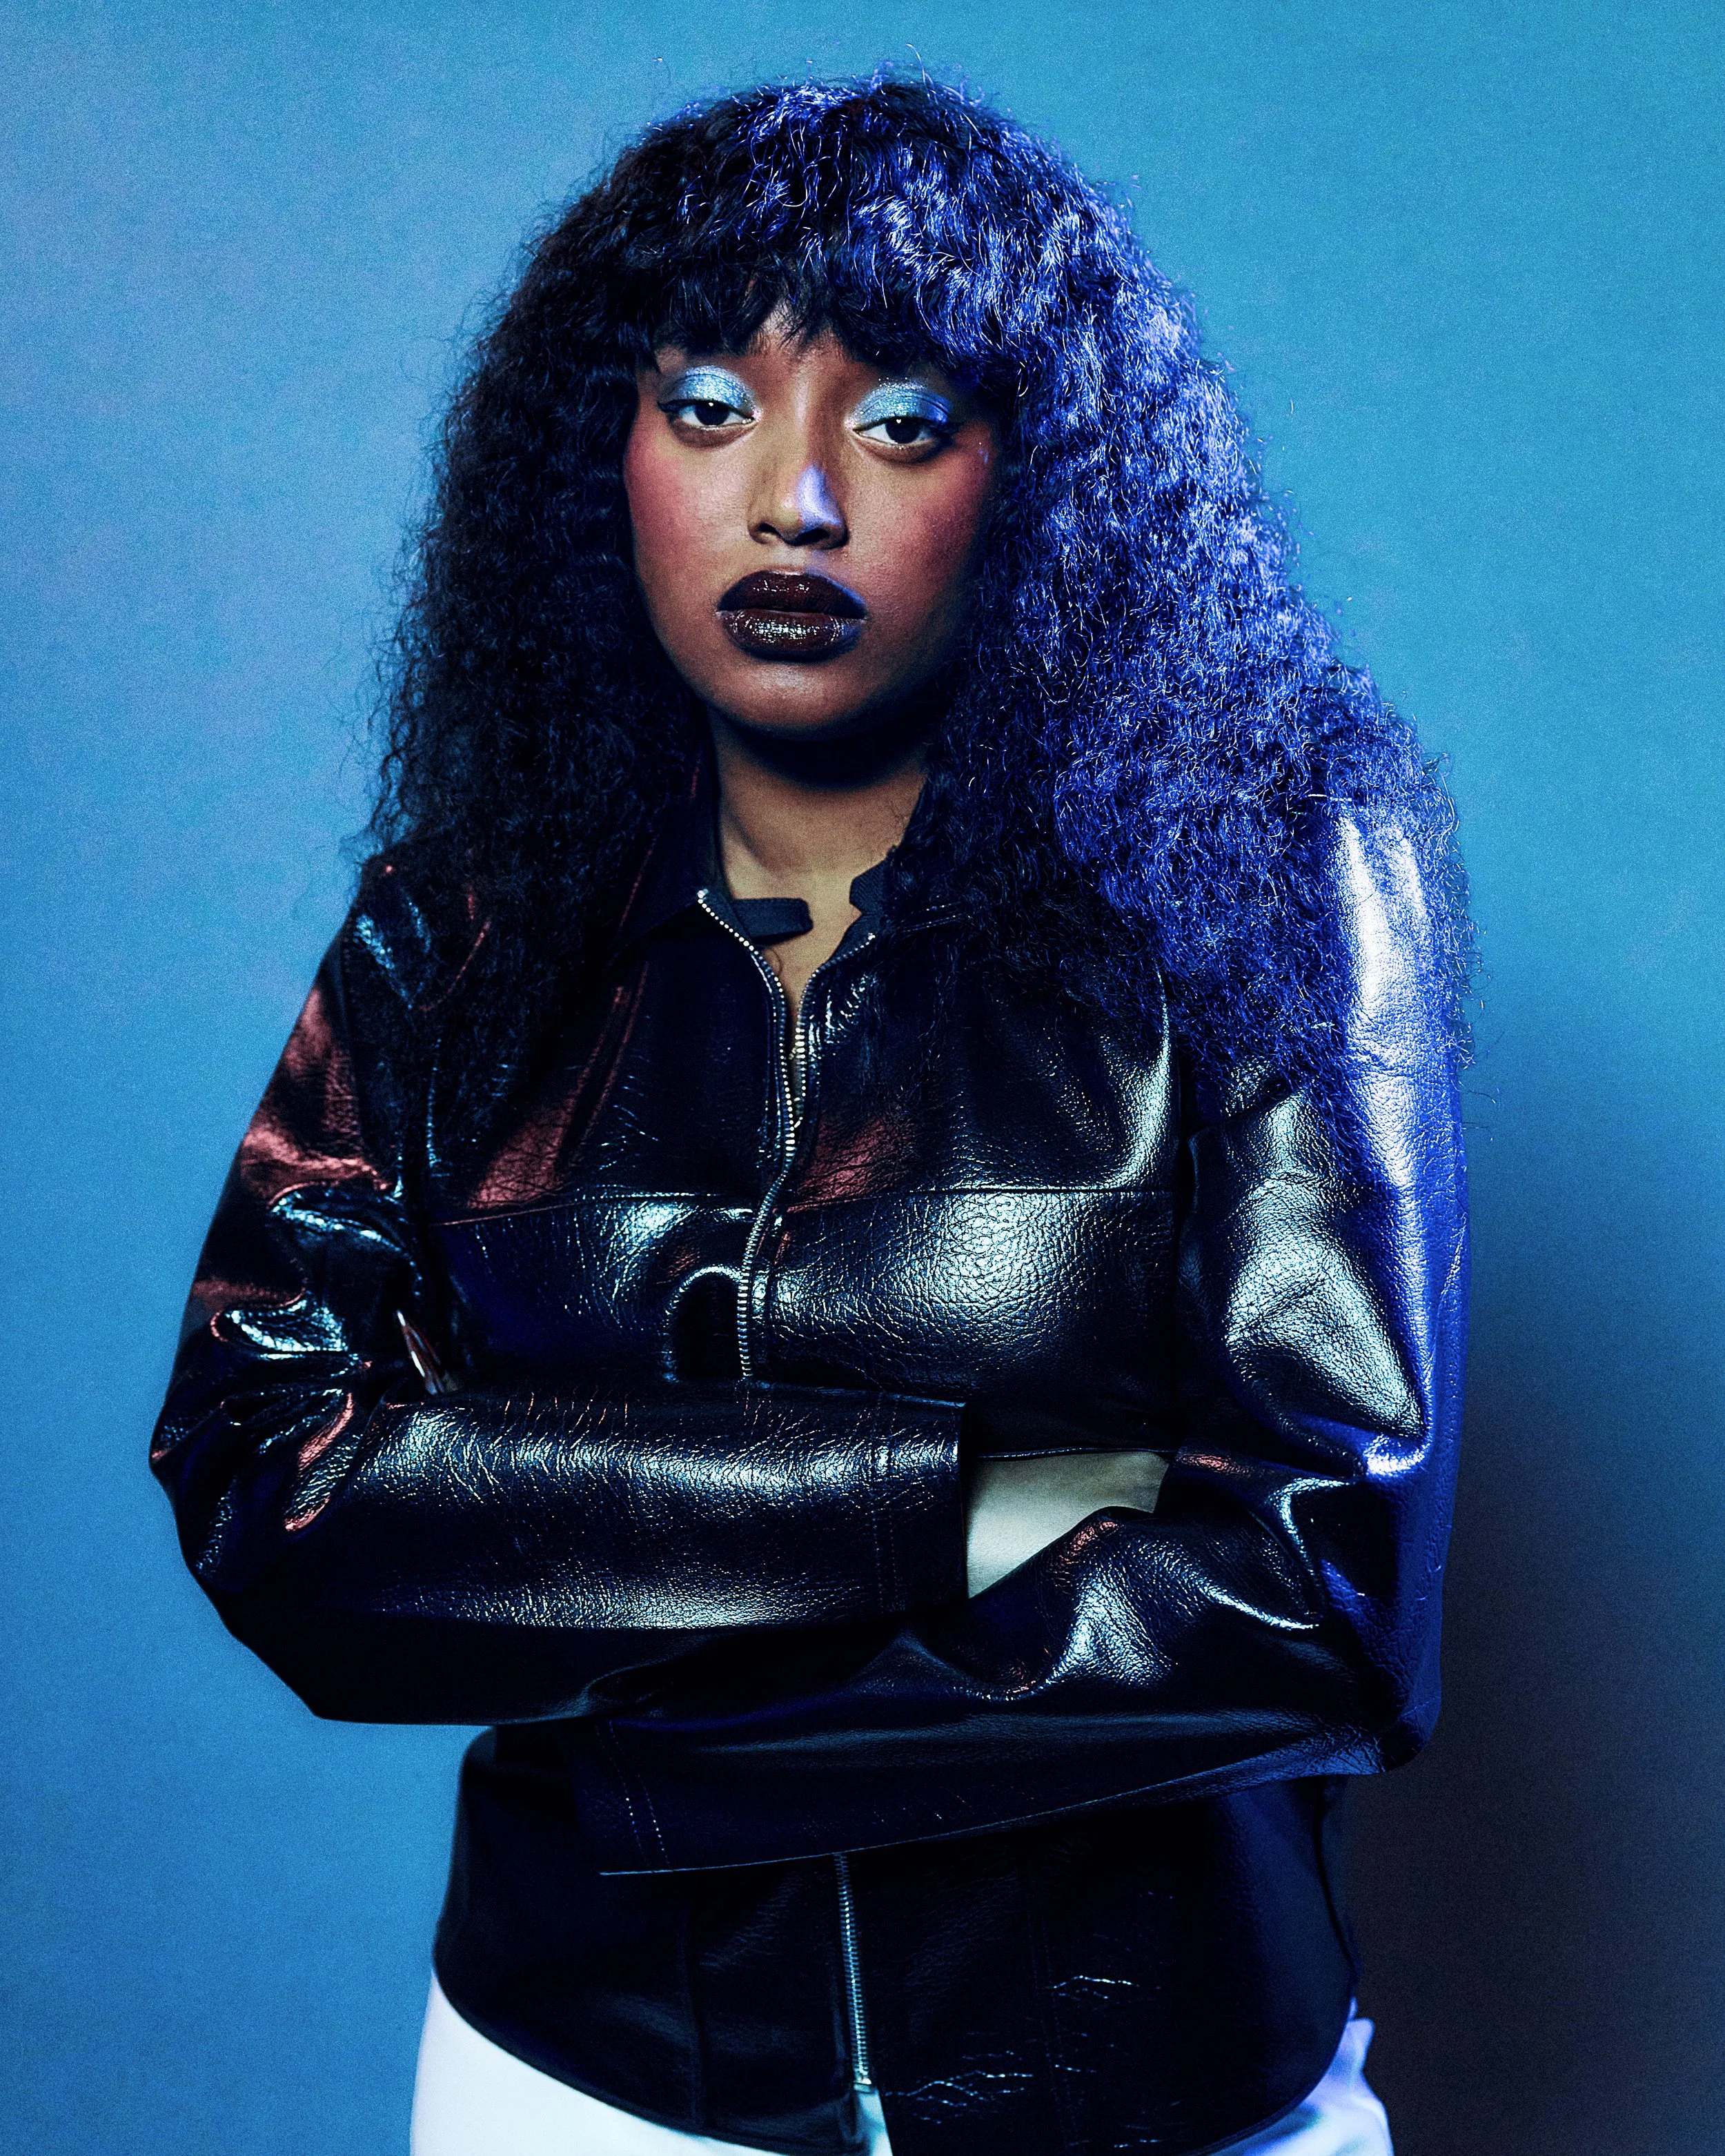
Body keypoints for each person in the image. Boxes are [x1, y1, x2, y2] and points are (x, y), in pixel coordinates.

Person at [151, 74, 1470, 2156]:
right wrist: (962, 1494)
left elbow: (1314, 1585)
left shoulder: (1275, 866)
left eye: (897, 421)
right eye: (705, 407)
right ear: (599, 458)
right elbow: (267, 1477)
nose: (794, 504)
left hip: (1149, 2090)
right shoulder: (461, 919)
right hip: (581, 2080)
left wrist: (626, 1676)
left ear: (1035, 476)